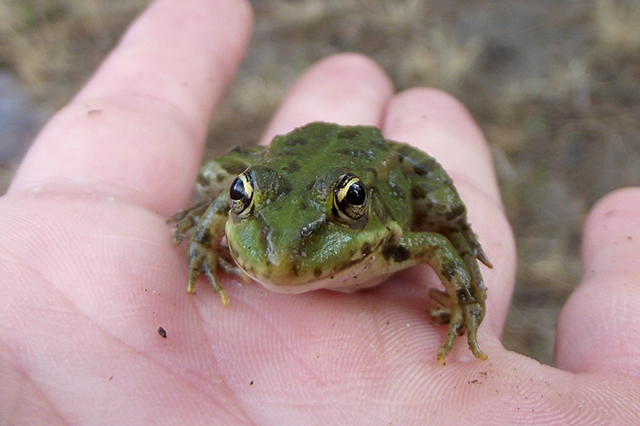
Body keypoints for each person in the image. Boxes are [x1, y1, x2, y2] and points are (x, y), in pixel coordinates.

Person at [1, 1, 639, 424]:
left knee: (446, 211)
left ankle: (309, 196)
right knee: (218, 178)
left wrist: (464, 295)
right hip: (293, 161)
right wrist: (216, 216)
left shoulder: (394, 243)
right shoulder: (236, 212)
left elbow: (441, 248)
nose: (280, 258)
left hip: (376, 159)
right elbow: (226, 194)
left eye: (349, 208)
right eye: (239, 208)